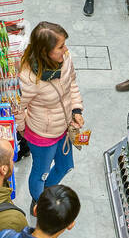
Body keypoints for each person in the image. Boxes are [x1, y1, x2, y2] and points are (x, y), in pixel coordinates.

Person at [16, 21, 85, 212]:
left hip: (64, 127)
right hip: (41, 135)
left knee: (65, 166)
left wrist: (76, 110)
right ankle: (39, 202)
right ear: (45, 51)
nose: (66, 50)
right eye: (60, 47)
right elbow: (19, 108)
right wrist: (22, 129)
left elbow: (72, 84)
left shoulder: (66, 60)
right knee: (41, 173)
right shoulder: (29, 78)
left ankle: (45, 194)